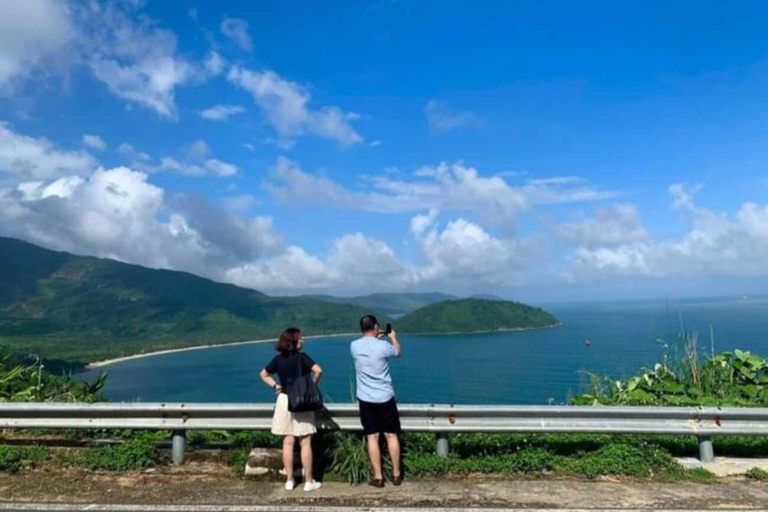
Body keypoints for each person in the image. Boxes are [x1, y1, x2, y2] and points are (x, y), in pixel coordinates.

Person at [260, 327, 323, 492]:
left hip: (284, 400)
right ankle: (309, 481)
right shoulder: (303, 358)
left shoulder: (278, 359)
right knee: (305, 442)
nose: (303, 340)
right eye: (300, 338)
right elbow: (318, 371)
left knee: (288, 442)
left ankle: (289, 480)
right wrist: (312, 386)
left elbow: (263, 374)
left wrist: (275, 386)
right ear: (294, 342)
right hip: (301, 400)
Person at [350, 315, 403, 487]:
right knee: (391, 435)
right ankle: (396, 475)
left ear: (361, 329)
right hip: (385, 397)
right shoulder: (384, 346)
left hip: (366, 399)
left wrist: (375, 338)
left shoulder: (354, 346)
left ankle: (378, 477)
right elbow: (397, 353)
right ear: (376, 326)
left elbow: (369, 349)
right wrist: (392, 337)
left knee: (372, 438)